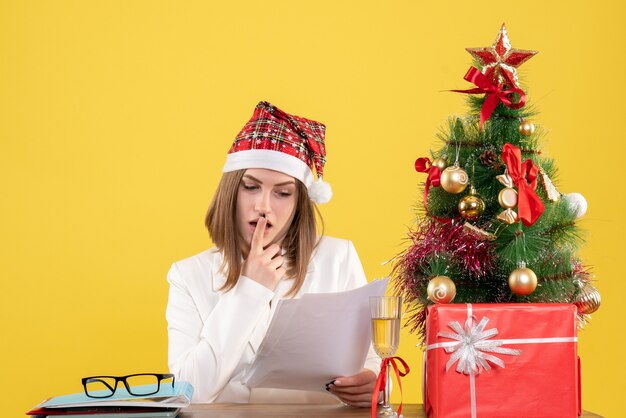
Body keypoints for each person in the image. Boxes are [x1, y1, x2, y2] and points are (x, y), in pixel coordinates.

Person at [166, 101, 380, 406]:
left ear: (298, 203)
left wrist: (370, 383)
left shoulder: (338, 258)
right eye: (251, 187)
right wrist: (249, 290)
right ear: (231, 192)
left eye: (282, 193)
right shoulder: (187, 275)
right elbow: (188, 392)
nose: (264, 206)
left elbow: (372, 360)